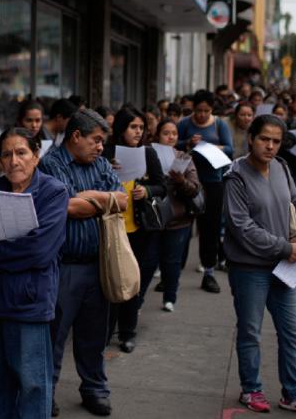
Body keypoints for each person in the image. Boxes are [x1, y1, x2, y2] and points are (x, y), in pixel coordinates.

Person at [0, 127, 69, 418]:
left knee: (33, 386)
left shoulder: (53, 193)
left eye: (21, 152)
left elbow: (39, 251)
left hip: (29, 305)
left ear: (36, 155)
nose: (14, 161)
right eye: (6, 154)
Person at [223, 114, 296, 418]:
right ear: (251, 138)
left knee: (292, 331)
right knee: (250, 332)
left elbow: (294, 203)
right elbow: (241, 226)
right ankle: (251, 389)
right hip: (249, 268)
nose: (270, 146)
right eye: (264, 139)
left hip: (284, 267)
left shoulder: (282, 167)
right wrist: (284, 246)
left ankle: (294, 394)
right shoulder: (236, 176)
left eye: (276, 141)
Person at [39, 108, 127, 417]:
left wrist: (88, 197)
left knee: (94, 335)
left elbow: (123, 200)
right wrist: (100, 200)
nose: (101, 148)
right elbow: (69, 208)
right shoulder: (51, 163)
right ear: (76, 136)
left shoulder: (101, 163)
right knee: (55, 336)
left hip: (97, 264)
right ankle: (45, 394)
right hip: (64, 266)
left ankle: (95, 389)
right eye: (97, 140)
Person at [102, 105, 165, 353]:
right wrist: (108, 171)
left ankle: (128, 332)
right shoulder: (106, 153)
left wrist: (146, 190)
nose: (138, 132)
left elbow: (162, 186)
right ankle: (107, 330)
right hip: (112, 227)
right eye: (133, 127)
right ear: (121, 129)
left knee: (131, 281)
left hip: (139, 228)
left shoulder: (147, 154)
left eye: (141, 127)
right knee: (110, 280)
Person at [176, 89, 234, 293]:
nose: (201, 115)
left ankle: (209, 272)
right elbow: (174, 145)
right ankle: (173, 274)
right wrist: (187, 143)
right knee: (182, 226)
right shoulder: (184, 124)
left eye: (206, 111)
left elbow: (230, 149)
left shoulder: (219, 124)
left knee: (209, 228)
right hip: (186, 182)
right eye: (198, 110)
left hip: (212, 182)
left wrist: (215, 147)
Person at [152, 119, 200, 311]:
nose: (170, 137)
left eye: (174, 133)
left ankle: (169, 297)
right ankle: (136, 301)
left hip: (177, 218)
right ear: (158, 135)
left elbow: (195, 188)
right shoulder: (149, 154)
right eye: (166, 133)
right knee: (148, 261)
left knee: (172, 261)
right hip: (153, 218)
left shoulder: (183, 157)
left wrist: (181, 181)